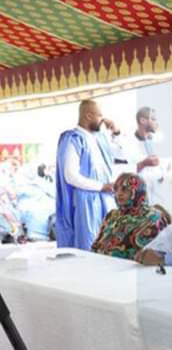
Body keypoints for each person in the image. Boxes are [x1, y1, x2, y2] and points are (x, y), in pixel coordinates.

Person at [55, 99, 118, 250]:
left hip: (104, 200)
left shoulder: (98, 138)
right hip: (86, 204)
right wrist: (102, 186)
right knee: (89, 248)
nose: (103, 119)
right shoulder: (73, 138)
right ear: (88, 116)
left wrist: (115, 132)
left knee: (108, 247)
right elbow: (70, 175)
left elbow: (121, 156)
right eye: (99, 115)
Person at [91, 173, 167, 260]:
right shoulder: (112, 215)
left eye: (125, 189)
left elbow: (148, 256)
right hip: (99, 264)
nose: (119, 193)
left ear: (138, 192)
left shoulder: (152, 217)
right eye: (116, 189)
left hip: (130, 267)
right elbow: (96, 245)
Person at [125, 107, 172, 220]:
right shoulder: (128, 143)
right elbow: (126, 171)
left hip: (164, 191)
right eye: (153, 119)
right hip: (145, 194)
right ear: (142, 121)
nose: (156, 123)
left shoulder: (159, 141)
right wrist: (143, 164)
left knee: (171, 219)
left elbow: (168, 166)